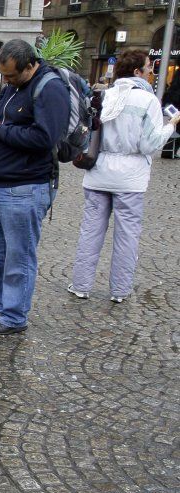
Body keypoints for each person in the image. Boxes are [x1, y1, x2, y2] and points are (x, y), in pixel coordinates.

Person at [0, 39, 69, 336]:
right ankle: (2, 303)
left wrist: (0, 129)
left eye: (13, 75)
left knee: (19, 255)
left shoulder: (50, 88)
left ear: (30, 65)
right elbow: (6, 122)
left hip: (27, 187)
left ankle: (14, 315)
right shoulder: (15, 87)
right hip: (1, 184)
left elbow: (45, 138)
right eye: (5, 76)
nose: (8, 81)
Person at [68, 49, 180, 303]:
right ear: (138, 71)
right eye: (149, 67)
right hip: (130, 177)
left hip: (98, 169)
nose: (152, 71)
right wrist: (170, 126)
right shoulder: (148, 100)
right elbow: (149, 145)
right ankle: (119, 290)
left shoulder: (105, 96)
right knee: (127, 235)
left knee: (91, 230)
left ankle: (81, 284)